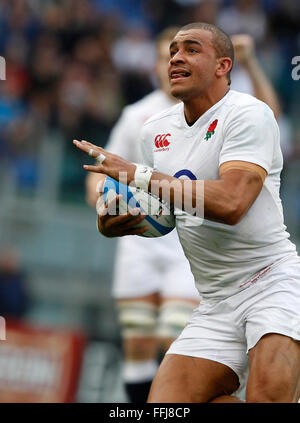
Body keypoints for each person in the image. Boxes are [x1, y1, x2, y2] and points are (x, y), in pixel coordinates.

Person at [74, 22, 300, 403]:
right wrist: (118, 222)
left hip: (272, 284)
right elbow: (164, 209)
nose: (176, 57)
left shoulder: (248, 114)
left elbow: (231, 205)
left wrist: (139, 175)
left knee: (269, 396)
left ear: (223, 65)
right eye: (173, 50)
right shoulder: (152, 132)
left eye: (191, 49)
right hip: (214, 300)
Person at [86, 27, 201, 404]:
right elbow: (100, 175)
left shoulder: (215, 114)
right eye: (164, 56)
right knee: (137, 342)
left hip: (189, 244)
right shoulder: (137, 115)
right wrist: (104, 207)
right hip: (138, 238)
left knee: (174, 340)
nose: (171, 64)